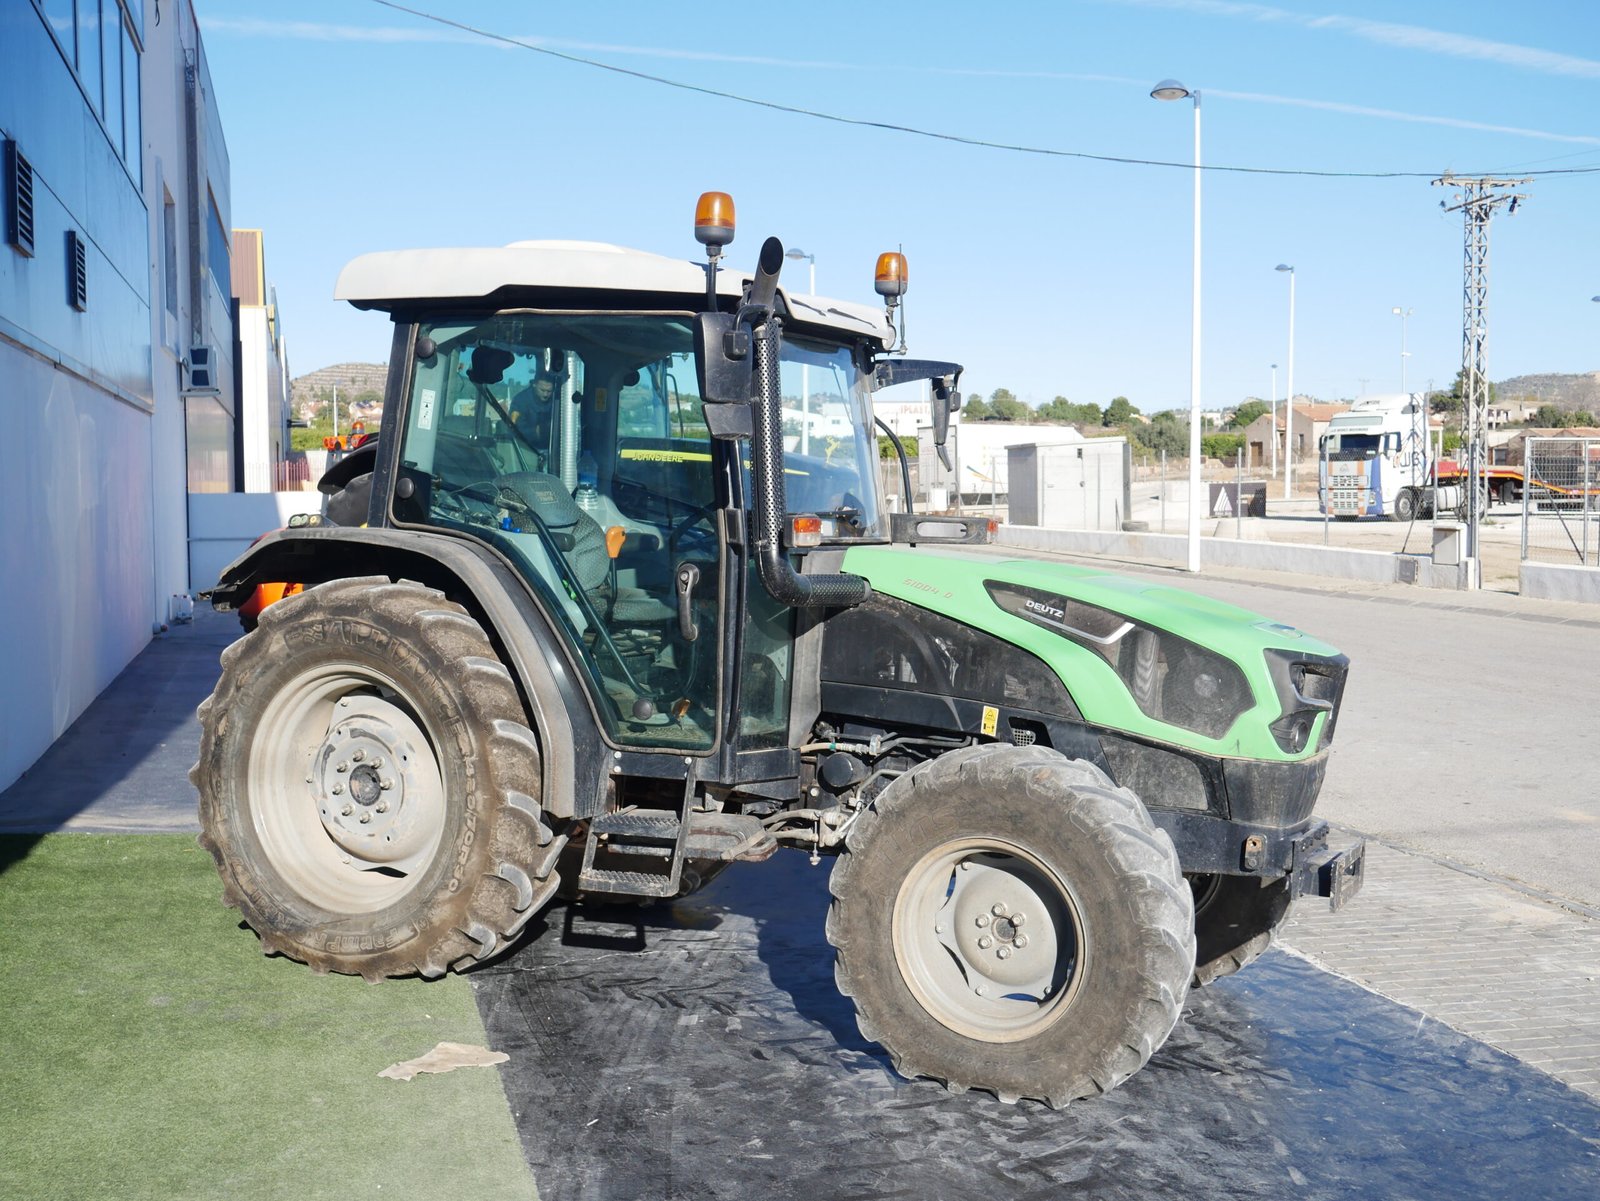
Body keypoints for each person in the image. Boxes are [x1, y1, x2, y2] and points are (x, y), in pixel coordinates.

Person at [510, 369, 560, 453]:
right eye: (542, 390)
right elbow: (513, 428)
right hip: (526, 449)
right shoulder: (520, 401)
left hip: (554, 449)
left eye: (549, 391)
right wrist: (535, 432)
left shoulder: (558, 400)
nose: (545, 394)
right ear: (534, 384)